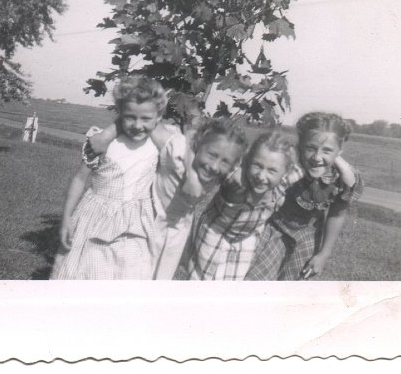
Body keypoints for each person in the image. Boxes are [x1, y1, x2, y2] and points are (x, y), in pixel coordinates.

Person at [86, 112, 248, 280]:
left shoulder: (227, 170)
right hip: (145, 221)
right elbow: (145, 118)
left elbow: (244, 170)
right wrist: (106, 136)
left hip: (176, 232)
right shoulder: (177, 150)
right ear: (197, 146)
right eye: (212, 155)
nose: (214, 166)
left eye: (225, 161)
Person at [50, 75, 167, 280]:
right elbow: (80, 179)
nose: (138, 125)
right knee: (85, 272)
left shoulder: (158, 145)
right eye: (130, 116)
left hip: (137, 222)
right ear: (120, 113)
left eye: (146, 118)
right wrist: (66, 218)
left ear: (158, 117)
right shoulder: (102, 141)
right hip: (95, 217)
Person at [244, 112, 363, 281]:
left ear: (340, 150)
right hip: (273, 229)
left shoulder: (341, 178)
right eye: (310, 148)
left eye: (327, 151)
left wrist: (323, 255)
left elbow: (337, 214)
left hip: (307, 236)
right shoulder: (288, 163)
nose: (317, 158)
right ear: (300, 145)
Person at [184, 131, 296, 281]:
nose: (261, 176)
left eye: (271, 170)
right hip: (215, 236)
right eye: (257, 165)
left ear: (286, 171)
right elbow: (191, 139)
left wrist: (339, 161)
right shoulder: (236, 180)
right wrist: (191, 177)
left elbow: (306, 164)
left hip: (245, 241)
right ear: (247, 160)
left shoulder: (282, 183)